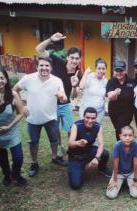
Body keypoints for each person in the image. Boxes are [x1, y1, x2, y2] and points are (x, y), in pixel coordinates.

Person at [13, 57, 67, 177]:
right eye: (41, 65)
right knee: (33, 142)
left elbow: (63, 95)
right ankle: (34, 163)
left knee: (54, 140)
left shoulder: (57, 80)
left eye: (47, 66)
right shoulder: (28, 78)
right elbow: (14, 90)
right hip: (33, 119)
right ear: (37, 67)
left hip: (51, 118)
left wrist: (62, 97)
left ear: (51, 68)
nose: (44, 68)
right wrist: (21, 107)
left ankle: (54, 157)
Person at [35, 32, 82, 163]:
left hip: (66, 104)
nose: (74, 61)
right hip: (52, 104)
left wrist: (74, 86)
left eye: (77, 58)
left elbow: (74, 95)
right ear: (67, 57)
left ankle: (71, 147)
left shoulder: (78, 73)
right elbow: (39, 50)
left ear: (80, 60)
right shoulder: (57, 62)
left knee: (69, 128)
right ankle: (60, 149)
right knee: (55, 130)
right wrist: (50, 39)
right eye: (72, 58)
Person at [67, 107, 112, 189]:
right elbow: (70, 143)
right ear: (83, 116)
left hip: (89, 151)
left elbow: (101, 144)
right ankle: (76, 169)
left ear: (96, 118)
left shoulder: (98, 126)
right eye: (87, 118)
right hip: (76, 156)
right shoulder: (76, 125)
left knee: (104, 153)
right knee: (75, 185)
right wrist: (78, 143)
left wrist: (97, 158)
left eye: (93, 118)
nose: (90, 121)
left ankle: (102, 168)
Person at [106, 126, 137, 199]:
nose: (127, 138)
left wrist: (135, 179)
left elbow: (135, 163)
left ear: (134, 137)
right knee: (111, 195)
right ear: (120, 136)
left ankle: (128, 181)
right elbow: (115, 163)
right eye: (125, 135)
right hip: (119, 173)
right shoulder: (117, 145)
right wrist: (114, 179)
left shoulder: (135, 145)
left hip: (131, 172)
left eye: (130, 135)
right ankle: (122, 181)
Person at [106, 61, 135, 141]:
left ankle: (122, 146)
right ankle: (121, 146)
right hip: (114, 111)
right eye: (117, 70)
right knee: (118, 129)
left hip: (127, 111)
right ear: (114, 71)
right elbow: (109, 96)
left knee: (121, 129)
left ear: (125, 70)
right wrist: (115, 92)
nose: (119, 73)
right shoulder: (111, 81)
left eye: (121, 70)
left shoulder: (132, 81)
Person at [79, 58, 108, 123]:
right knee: (84, 131)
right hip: (85, 111)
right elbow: (81, 86)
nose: (101, 71)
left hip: (99, 112)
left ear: (106, 69)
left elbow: (105, 97)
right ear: (95, 68)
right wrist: (85, 73)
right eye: (99, 68)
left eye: (103, 69)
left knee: (95, 131)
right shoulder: (89, 77)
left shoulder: (106, 82)